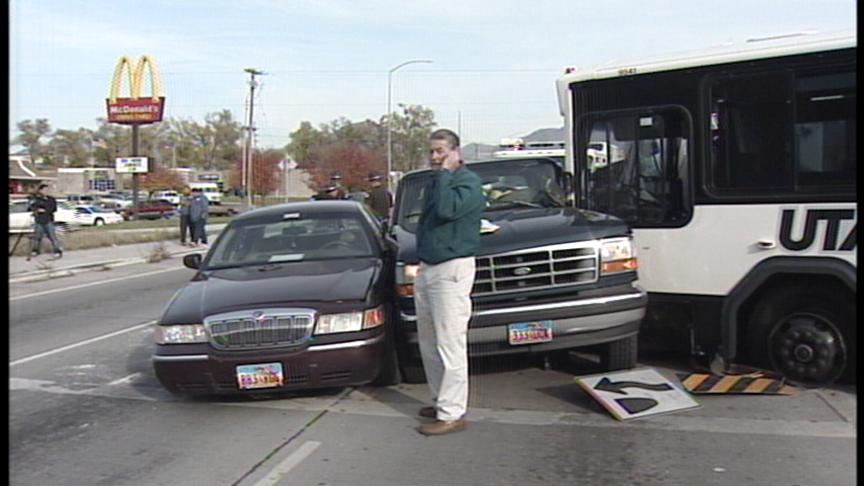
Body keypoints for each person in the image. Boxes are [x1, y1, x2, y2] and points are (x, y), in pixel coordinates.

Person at [414, 128, 486, 436]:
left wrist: (444, 174)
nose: (434, 157)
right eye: (431, 151)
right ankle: (440, 399)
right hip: (429, 268)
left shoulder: (467, 183)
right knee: (429, 342)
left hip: (451, 269)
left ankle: (453, 412)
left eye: (441, 151)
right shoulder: (437, 182)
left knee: (449, 343)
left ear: (456, 152)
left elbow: (447, 211)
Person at [27, 183, 63, 259]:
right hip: (39, 221)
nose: (46, 191)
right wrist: (36, 209)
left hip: (48, 220)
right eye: (44, 190)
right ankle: (35, 251)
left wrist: (45, 210)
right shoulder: (37, 199)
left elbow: (54, 209)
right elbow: (31, 208)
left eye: (47, 189)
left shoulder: (51, 199)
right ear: (40, 190)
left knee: (52, 237)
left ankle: (57, 251)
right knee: (37, 237)